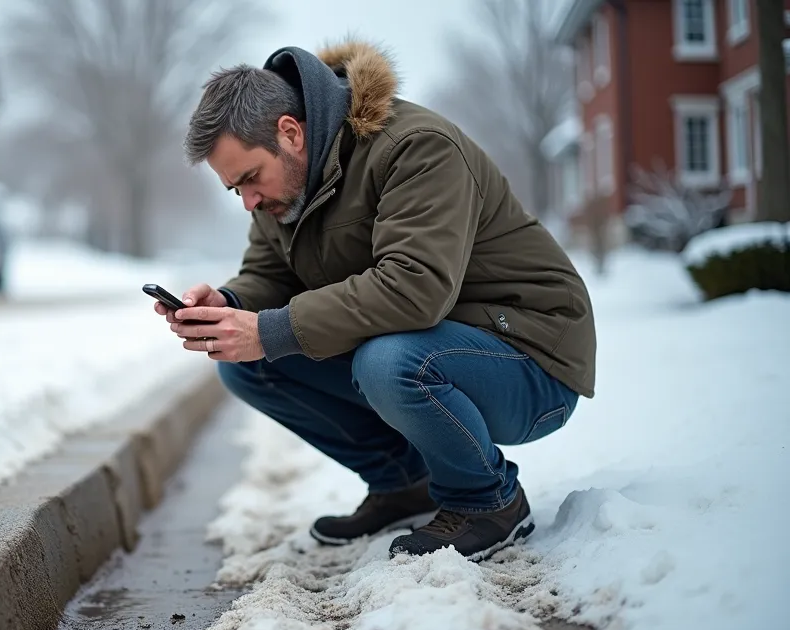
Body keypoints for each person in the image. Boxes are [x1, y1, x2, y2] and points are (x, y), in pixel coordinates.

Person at [155, 39, 597, 561]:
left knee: (386, 361)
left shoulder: (416, 147)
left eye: (250, 178)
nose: (248, 200)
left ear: (290, 132)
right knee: (247, 365)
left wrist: (269, 330)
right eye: (236, 190)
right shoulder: (284, 190)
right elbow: (269, 273)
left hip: (531, 358)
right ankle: (403, 483)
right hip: (438, 348)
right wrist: (228, 303)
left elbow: (416, 288)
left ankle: (489, 502)